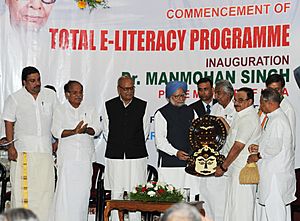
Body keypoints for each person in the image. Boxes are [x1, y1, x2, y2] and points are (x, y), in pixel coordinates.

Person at [2, 66, 58, 221]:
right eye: (32, 81)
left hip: (45, 151)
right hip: (23, 152)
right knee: (23, 192)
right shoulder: (15, 98)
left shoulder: (50, 96)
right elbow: (8, 122)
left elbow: (58, 119)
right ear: (24, 82)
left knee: (45, 191)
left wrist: (57, 141)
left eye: (38, 79)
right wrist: (11, 146)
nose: (37, 83)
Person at [49, 81, 101, 221]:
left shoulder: (90, 108)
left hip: (85, 159)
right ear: (67, 94)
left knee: (82, 196)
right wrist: (74, 131)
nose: (79, 95)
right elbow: (56, 131)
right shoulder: (60, 109)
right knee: (65, 196)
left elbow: (97, 128)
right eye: (75, 92)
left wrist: (86, 130)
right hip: (67, 159)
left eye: (81, 92)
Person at [103, 75, 149, 221]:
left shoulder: (143, 105)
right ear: (118, 89)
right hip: (115, 156)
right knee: (116, 193)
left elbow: (145, 131)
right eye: (126, 89)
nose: (129, 92)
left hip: (136, 156)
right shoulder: (108, 106)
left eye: (131, 88)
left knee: (135, 193)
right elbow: (106, 131)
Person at [248, 88, 296, 221]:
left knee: (275, 213)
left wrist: (256, 156)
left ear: (270, 103)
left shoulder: (277, 120)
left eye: (261, 103)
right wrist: (259, 147)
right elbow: (273, 143)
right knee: (275, 212)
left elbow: (274, 148)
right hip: (274, 172)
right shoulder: (275, 118)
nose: (260, 106)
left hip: (275, 175)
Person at [215, 87, 261, 221]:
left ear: (250, 101)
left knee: (241, 209)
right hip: (235, 169)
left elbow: (238, 146)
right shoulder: (241, 115)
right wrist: (223, 122)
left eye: (240, 100)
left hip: (242, 171)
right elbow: (233, 137)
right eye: (235, 100)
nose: (236, 103)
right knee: (233, 207)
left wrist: (223, 166)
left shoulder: (248, 118)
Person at [154, 81, 199, 201]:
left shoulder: (191, 111)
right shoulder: (161, 113)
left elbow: (197, 135)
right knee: (169, 201)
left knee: (188, 200)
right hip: (170, 165)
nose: (180, 99)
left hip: (189, 165)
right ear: (169, 97)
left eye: (183, 95)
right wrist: (176, 152)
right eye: (176, 96)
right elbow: (160, 141)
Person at [261, 74, 296, 150]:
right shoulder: (264, 106)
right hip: (264, 155)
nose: (274, 92)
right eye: (270, 89)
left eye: (277, 89)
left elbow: (290, 140)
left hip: (278, 158)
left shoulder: (287, 109)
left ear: (283, 90)